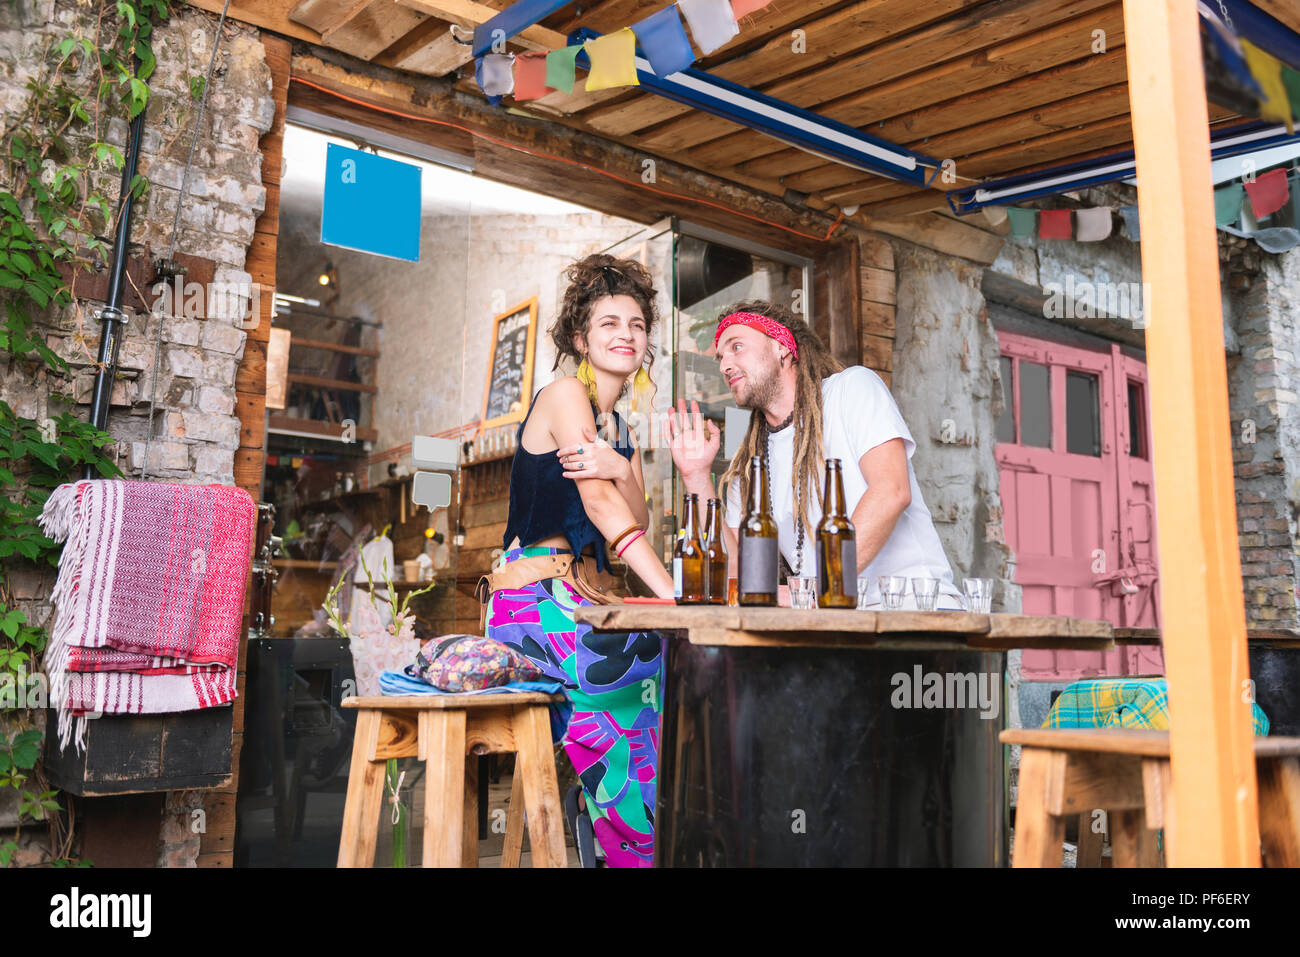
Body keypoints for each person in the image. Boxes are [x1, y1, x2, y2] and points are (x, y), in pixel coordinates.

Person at [484, 254, 675, 868]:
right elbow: (599, 505)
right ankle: (627, 841)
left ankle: (618, 827)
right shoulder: (567, 394)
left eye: (637, 325)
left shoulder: (620, 428)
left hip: (586, 602)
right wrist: (673, 597)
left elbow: (638, 515)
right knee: (647, 658)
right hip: (534, 604)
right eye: (609, 323)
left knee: (677, 663)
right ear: (580, 338)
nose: (626, 334)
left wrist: (622, 467)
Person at [667, 299, 964, 610]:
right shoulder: (751, 463)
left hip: (914, 612)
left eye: (736, 347)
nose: (724, 365)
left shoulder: (852, 389)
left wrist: (814, 591)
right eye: (720, 356)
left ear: (781, 346)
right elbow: (740, 569)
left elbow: (892, 491)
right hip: (832, 622)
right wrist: (697, 476)